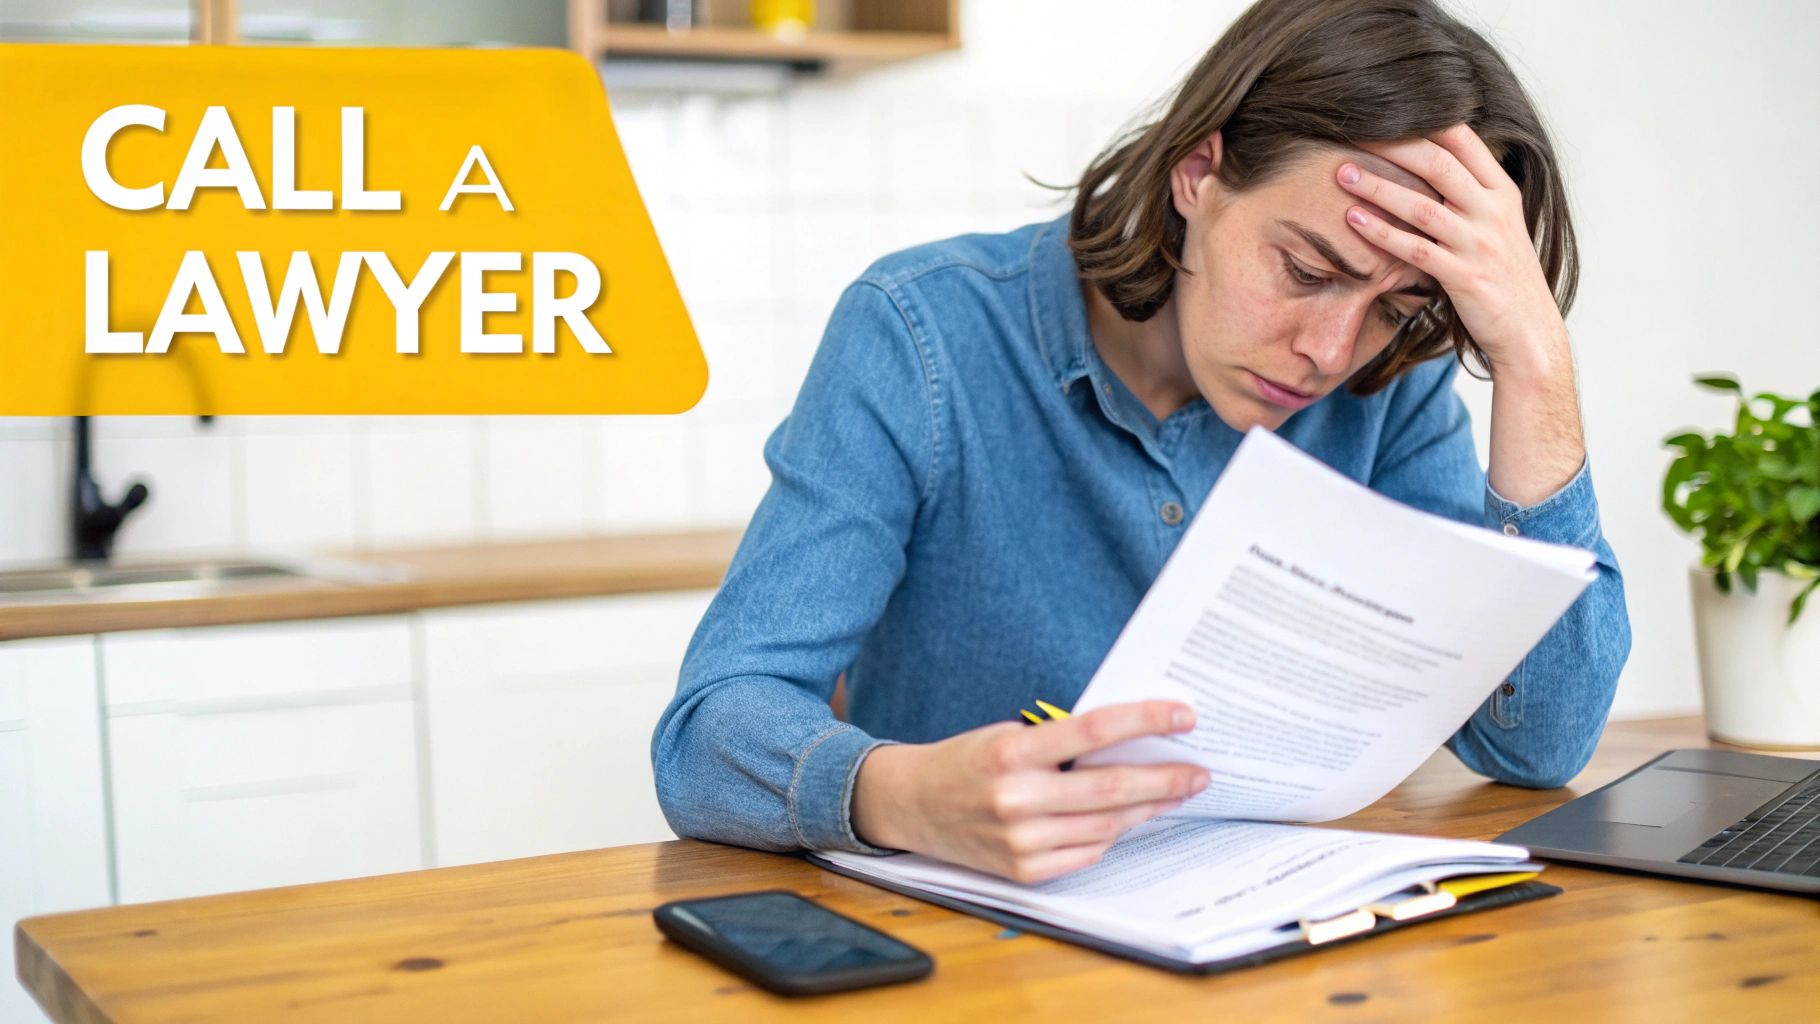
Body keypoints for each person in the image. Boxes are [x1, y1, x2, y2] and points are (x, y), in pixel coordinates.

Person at [651, 0, 1632, 884]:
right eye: (1304, 268)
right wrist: (897, 792)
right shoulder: (922, 335)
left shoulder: (1390, 385)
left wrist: (1533, 360)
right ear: (1196, 175)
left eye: (1398, 305)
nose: (1331, 350)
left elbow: (1534, 744)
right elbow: (707, 736)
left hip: (1272, 944)